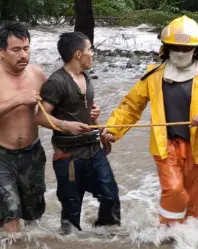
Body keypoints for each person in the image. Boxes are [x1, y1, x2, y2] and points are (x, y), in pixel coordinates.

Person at [102, 16, 198, 226]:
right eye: (175, 47)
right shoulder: (153, 76)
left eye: (185, 48)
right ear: (166, 48)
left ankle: (188, 237)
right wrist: (113, 129)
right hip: (166, 145)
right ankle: (167, 231)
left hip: (196, 146)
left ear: (197, 50)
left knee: (193, 198)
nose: (180, 52)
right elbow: (132, 105)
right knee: (174, 190)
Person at [35, 32, 120, 234]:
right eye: (91, 49)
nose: (93, 54)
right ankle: (69, 243)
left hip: (94, 149)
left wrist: (100, 128)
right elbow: (39, 116)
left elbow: (87, 112)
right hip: (69, 156)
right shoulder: (56, 82)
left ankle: (105, 237)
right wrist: (66, 125)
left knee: (110, 196)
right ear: (78, 54)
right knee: (72, 210)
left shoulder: (85, 77)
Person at [0, 22, 47, 233]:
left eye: (26, 48)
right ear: (2, 51)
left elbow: (57, 109)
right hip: (2, 156)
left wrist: (90, 112)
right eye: (16, 50)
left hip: (32, 152)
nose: (23, 55)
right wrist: (18, 99)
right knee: (10, 211)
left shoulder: (38, 75)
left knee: (34, 215)